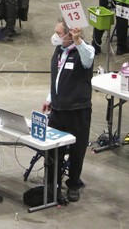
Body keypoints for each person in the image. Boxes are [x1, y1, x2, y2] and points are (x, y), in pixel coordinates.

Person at [43, 20, 94, 203]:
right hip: (58, 109)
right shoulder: (60, 50)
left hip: (77, 111)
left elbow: (88, 59)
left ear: (69, 34)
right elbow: (57, 78)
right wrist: (50, 98)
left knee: (76, 150)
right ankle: (51, 183)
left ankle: (73, 184)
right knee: (52, 148)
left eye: (58, 33)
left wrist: (78, 40)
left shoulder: (84, 51)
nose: (55, 36)